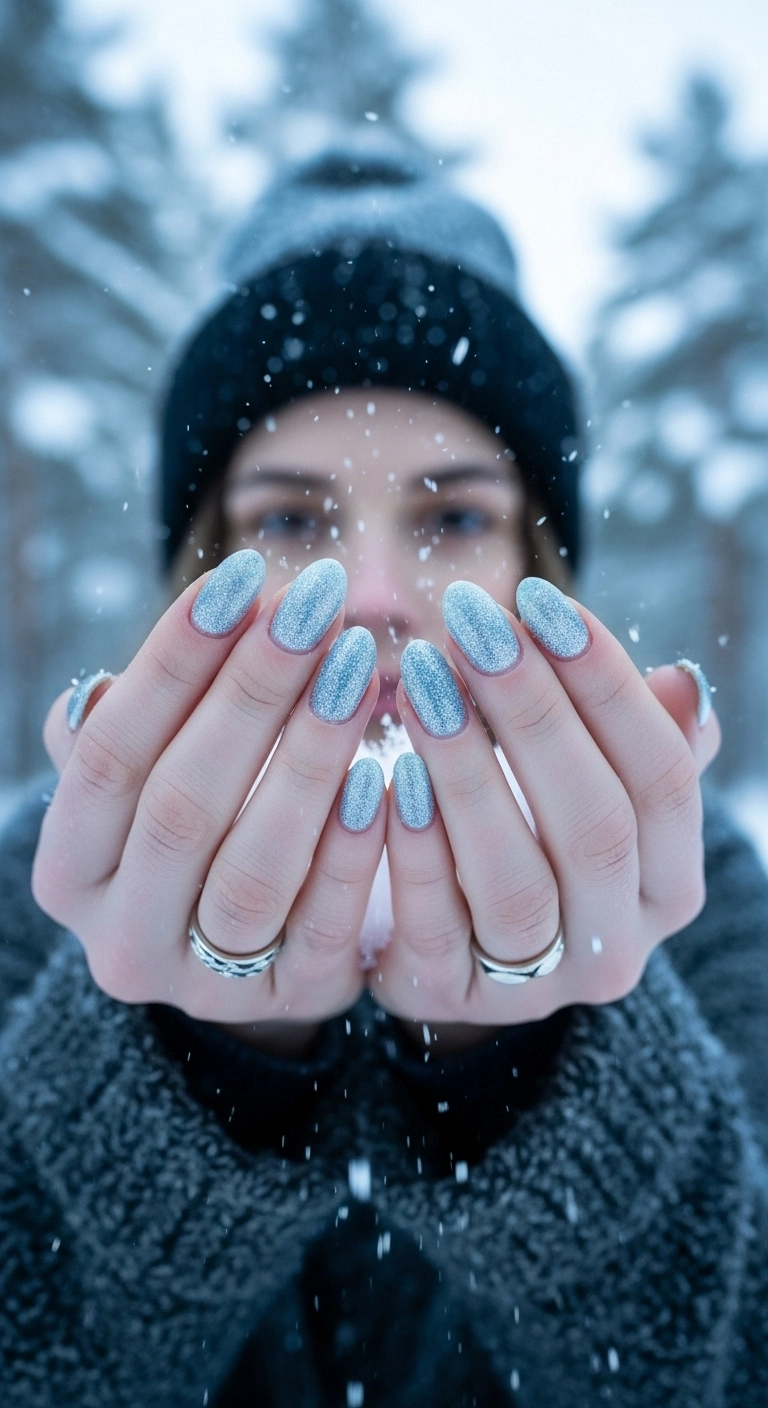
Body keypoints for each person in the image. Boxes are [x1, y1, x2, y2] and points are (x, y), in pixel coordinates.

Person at [1, 139, 767, 1407]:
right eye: (292, 519)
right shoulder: (42, 885)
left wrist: (523, 1061)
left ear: (543, 562)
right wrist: (197, 1063)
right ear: (202, 564)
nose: (369, 593)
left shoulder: (703, 899)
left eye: (451, 517)